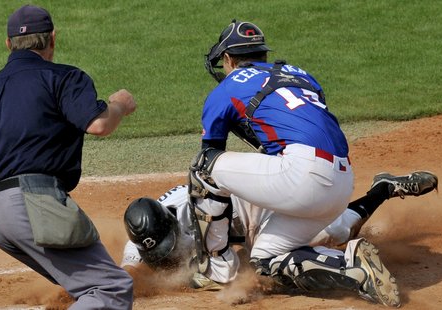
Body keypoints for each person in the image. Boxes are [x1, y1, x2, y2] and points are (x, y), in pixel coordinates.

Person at [183, 20, 428, 307]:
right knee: (264, 260)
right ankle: (352, 268)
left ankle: (216, 271)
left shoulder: (226, 89)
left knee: (203, 168)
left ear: (227, 59)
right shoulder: (300, 75)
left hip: (303, 177)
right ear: (262, 54)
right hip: (341, 180)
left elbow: (212, 154)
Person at [0, 5, 134, 309]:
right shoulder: (63, 77)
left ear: (8, 44)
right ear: (52, 39)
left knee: (80, 283)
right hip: (35, 207)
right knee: (111, 287)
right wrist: (119, 104)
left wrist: (4, 193)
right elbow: (99, 124)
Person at [122, 171, 438, 306]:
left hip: (258, 211)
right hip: (239, 229)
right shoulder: (139, 241)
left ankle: (381, 189)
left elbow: (229, 259)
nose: (164, 257)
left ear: (173, 224)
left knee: (335, 233)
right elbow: (129, 274)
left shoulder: (194, 214)